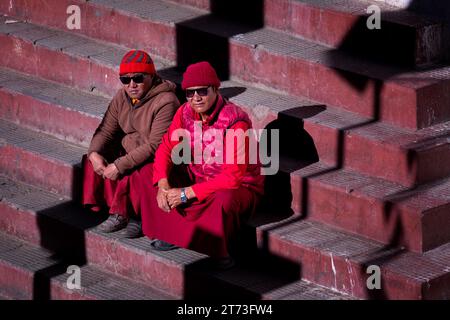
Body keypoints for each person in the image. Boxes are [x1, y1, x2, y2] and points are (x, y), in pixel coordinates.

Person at [141, 61, 264, 268]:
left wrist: (185, 193)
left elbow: (232, 178)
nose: (195, 98)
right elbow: (165, 148)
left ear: (215, 90)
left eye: (202, 91)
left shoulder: (236, 122)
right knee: (148, 173)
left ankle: (217, 250)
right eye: (190, 93)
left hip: (238, 188)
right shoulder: (185, 112)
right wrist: (163, 185)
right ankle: (173, 233)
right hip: (199, 176)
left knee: (224, 198)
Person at [81, 49, 180, 238]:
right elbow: (106, 130)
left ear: (151, 76)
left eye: (138, 78)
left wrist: (119, 165)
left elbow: (154, 146)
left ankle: (136, 215)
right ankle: (116, 209)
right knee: (94, 157)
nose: (132, 85)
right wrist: (94, 153)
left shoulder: (166, 100)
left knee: (138, 169)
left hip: (155, 156)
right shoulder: (122, 96)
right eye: (125, 80)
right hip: (130, 148)